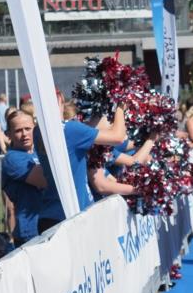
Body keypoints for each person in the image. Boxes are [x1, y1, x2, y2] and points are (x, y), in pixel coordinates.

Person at [35, 90, 127, 233]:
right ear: (60, 99)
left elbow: (88, 130)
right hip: (69, 216)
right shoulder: (70, 130)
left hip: (50, 215)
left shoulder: (38, 131)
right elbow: (118, 137)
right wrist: (121, 106)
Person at [1, 110, 46, 247]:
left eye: (28, 129)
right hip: (31, 230)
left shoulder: (40, 153)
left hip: (49, 222)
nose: (25, 134)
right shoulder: (12, 158)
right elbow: (44, 180)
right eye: (18, 131)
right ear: (9, 134)